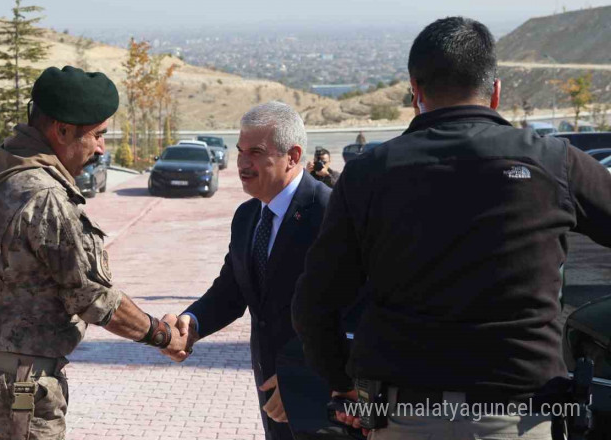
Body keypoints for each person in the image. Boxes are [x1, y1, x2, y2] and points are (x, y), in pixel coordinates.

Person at [291, 17, 611, 440]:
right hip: (522, 417)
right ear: (495, 91)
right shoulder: (555, 163)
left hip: (402, 417)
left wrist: (344, 384)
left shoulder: (369, 174)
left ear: (415, 92)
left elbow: (313, 304)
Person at [0, 66, 186, 440]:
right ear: (61, 130)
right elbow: (95, 298)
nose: (102, 147)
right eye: (98, 135)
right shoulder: (44, 197)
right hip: (17, 390)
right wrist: (162, 335)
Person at [161, 101, 333, 440]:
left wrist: (304, 377)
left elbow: (352, 310)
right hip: (270, 389)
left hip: (324, 396)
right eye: (240, 151)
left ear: (293, 156)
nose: (242, 163)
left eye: (255, 152)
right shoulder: (247, 216)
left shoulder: (330, 212)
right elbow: (232, 290)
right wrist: (191, 323)